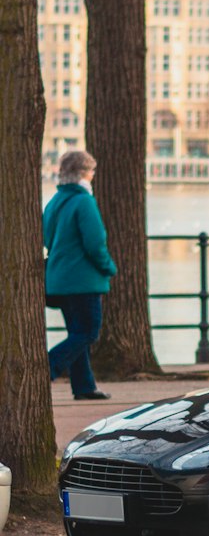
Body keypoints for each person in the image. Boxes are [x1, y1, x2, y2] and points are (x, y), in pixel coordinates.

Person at [44, 149, 117, 401]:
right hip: (83, 280)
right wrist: (108, 267)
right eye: (91, 171)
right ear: (83, 173)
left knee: (77, 332)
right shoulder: (84, 201)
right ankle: (47, 367)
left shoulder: (55, 202)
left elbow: (46, 237)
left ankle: (84, 386)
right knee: (88, 332)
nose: (93, 176)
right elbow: (95, 243)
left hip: (59, 280)